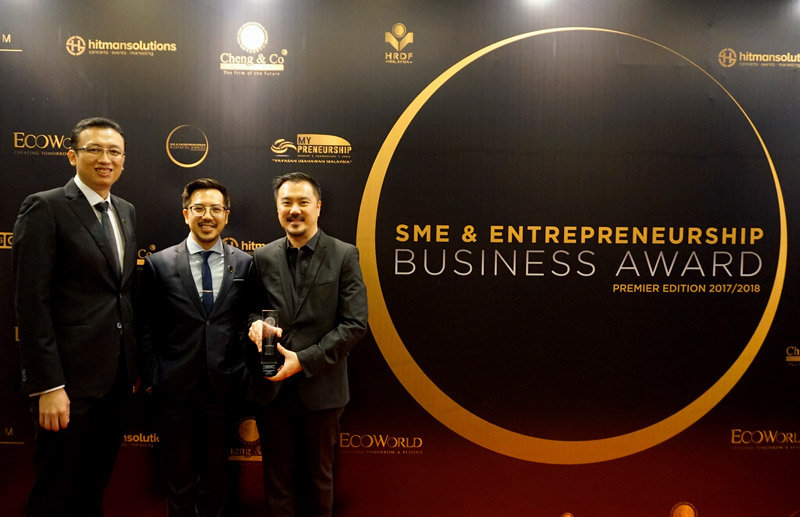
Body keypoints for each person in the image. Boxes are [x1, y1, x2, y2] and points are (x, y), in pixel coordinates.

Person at [12, 116, 138, 516]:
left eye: (114, 151)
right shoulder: (45, 207)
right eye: (94, 149)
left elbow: (118, 293)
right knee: (53, 493)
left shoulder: (125, 210)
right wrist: (48, 386)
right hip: (66, 386)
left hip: (116, 381)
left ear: (124, 160)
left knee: (92, 489)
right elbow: (31, 304)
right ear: (72, 156)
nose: (105, 159)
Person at [246, 172, 368, 517]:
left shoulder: (344, 255)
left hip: (322, 389)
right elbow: (250, 311)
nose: (294, 210)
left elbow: (355, 323)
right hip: (271, 391)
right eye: (286, 203)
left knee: (318, 483)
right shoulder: (262, 257)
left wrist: (303, 360)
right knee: (277, 484)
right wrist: (254, 325)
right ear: (277, 208)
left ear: (318, 207)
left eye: (303, 202)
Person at [136, 178, 253, 516]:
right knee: (178, 481)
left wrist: (243, 372)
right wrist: (153, 376)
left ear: (226, 215)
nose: (207, 216)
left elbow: (248, 318)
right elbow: (144, 324)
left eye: (216, 209)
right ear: (186, 213)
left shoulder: (245, 263)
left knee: (217, 481)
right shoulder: (158, 264)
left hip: (223, 388)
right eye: (199, 208)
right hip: (173, 390)